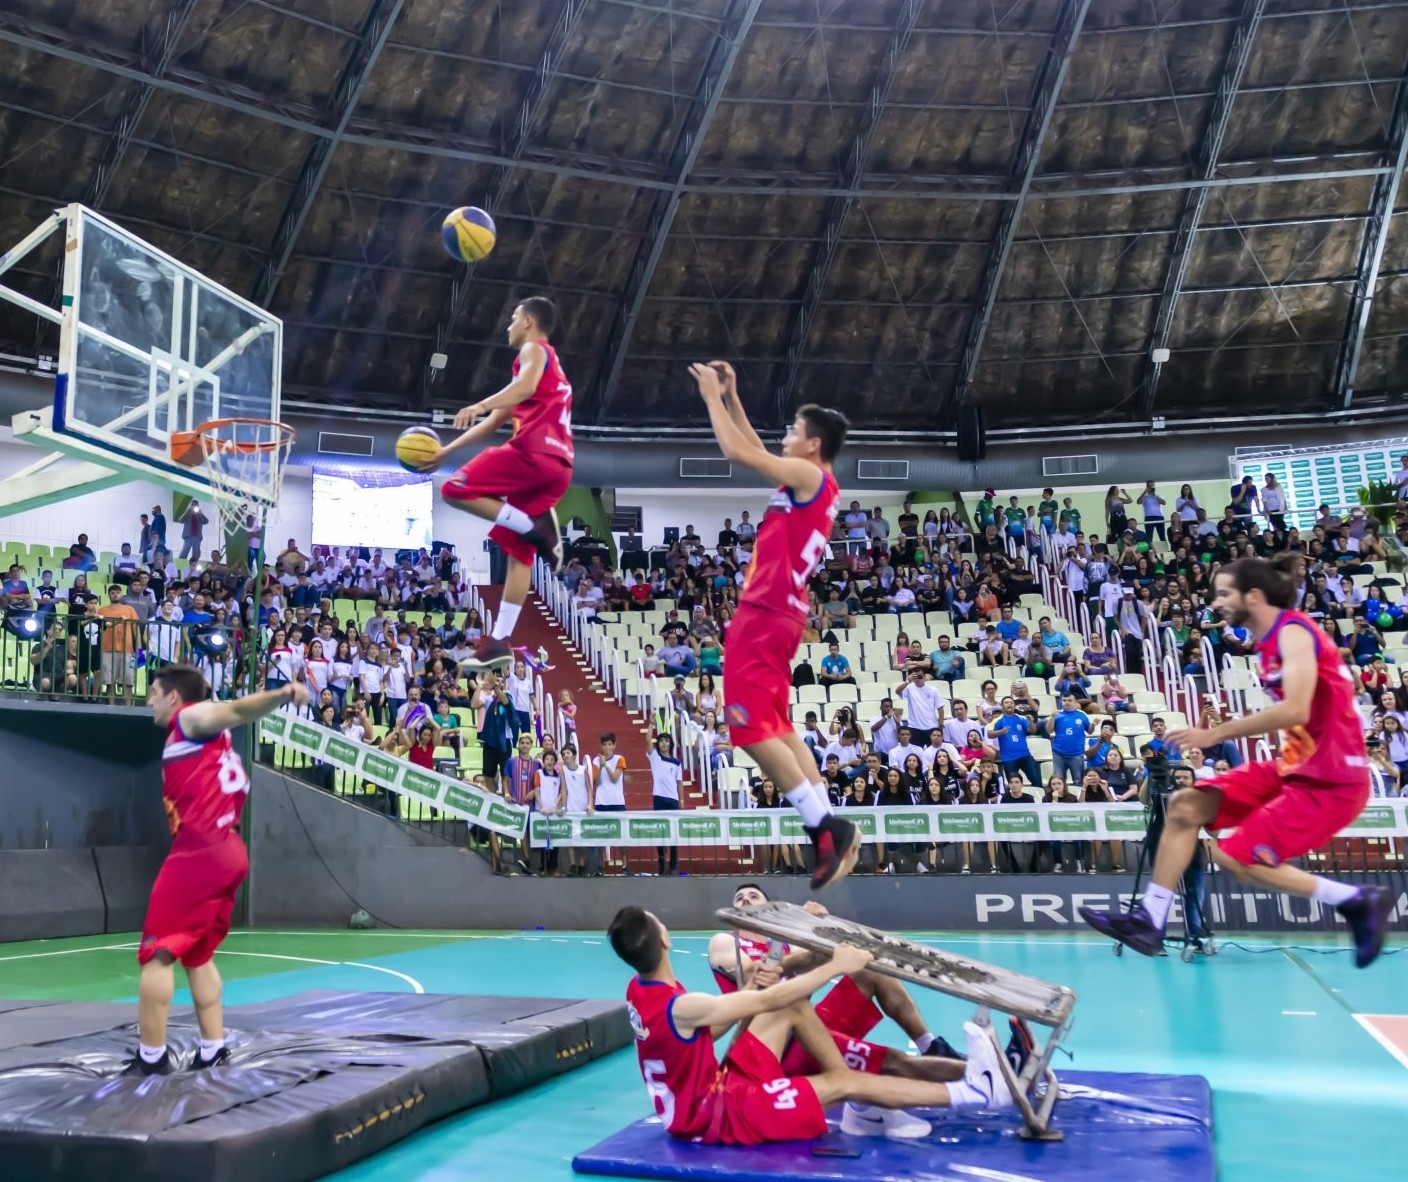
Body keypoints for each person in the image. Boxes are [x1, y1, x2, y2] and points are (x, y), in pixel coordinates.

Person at [1080, 555, 1394, 967]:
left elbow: (1297, 709)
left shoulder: (1295, 632)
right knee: (1184, 806)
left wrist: (1215, 734)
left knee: (1233, 856)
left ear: (1255, 595)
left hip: (1332, 777)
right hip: (1293, 767)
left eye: (1225, 593)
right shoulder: (1266, 646)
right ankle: (1150, 920)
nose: (1217, 601)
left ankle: (1356, 900)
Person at [610, 907, 1013, 1148]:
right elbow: (764, 1001)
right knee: (848, 1082)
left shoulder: (640, 990)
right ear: (664, 938)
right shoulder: (684, 1001)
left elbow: (707, 1034)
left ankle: (857, 1092)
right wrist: (837, 966)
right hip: (716, 1115)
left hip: (707, 1092)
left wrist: (758, 984)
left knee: (796, 1006)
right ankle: (970, 1092)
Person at [690, 359, 859, 889]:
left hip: (764, 615)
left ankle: (824, 828)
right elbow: (759, 450)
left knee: (746, 727)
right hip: (782, 613)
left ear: (813, 445)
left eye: (794, 431)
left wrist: (711, 397)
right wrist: (736, 397)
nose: (786, 436)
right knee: (780, 727)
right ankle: (828, 825)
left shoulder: (809, 475)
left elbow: (738, 453)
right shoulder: (817, 481)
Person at [127, 666, 312, 1075]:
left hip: (200, 851)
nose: (149, 701)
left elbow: (234, 710)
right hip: (229, 850)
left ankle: (151, 1059)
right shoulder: (212, 743)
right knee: (197, 953)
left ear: (173, 697)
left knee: (156, 955)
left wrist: (281, 695)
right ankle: (213, 1047)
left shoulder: (190, 718)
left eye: (154, 693)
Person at [428, 297, 570, 669]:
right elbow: (494, 422)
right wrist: (446, 452)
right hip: (558, 466)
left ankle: (533, 526)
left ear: (527, 321)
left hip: (531, 453)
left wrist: (479, 403)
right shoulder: (544, 372)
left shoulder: (534, 350)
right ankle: (500, 640)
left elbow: (520, 390)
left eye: (512, 319)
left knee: (454, 489)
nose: (508, 325)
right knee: (519, 552)